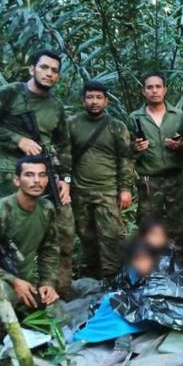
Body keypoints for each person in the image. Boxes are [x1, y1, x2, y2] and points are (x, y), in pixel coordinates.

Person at [0, 49, 75, 295]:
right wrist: (17, 140)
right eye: (44, 68)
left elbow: (64, 145)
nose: (49, 74)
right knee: (10, 236)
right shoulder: (11, 94)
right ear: (32, 69)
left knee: (63, 230)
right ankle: (9, 291)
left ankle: (56, 290)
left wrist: (65, 179)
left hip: (47, 174)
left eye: (54, 71)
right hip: (11, 176)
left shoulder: (55, 106)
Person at [0, 156, 60, 319]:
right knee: (4, 298)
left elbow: (49, 249)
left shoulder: (46, 209)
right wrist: (13, 281)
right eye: (29, 175)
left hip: (24, 279)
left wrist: (47, 283)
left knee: (56, 314)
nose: (36, 181)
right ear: (16, 180)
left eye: (42, 175)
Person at [68, 80, 133, 279]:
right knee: (87, 236)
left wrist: (125, 188)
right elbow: (63, 155)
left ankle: (114, 277)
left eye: (98, 98)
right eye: (90, 97)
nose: (94, 102)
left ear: (106, 101)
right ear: (83, 100)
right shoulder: (72, 124)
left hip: (107, 190)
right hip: (79, 191)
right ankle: (94, 277)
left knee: (112, 236)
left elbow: (126, 158)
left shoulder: (116, 127)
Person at [128, 72, 183, 263]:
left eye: (158, 87)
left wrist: (179, 146)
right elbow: (127, 152)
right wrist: (136, 148)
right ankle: (150, 266)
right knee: (148, 223)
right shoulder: (134, 118)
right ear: (143, 91)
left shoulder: (178, 116)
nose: (154, 91)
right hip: (149, 180)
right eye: (149, 87)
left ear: (165, 90)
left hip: (175, 178)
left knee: (181, 222)